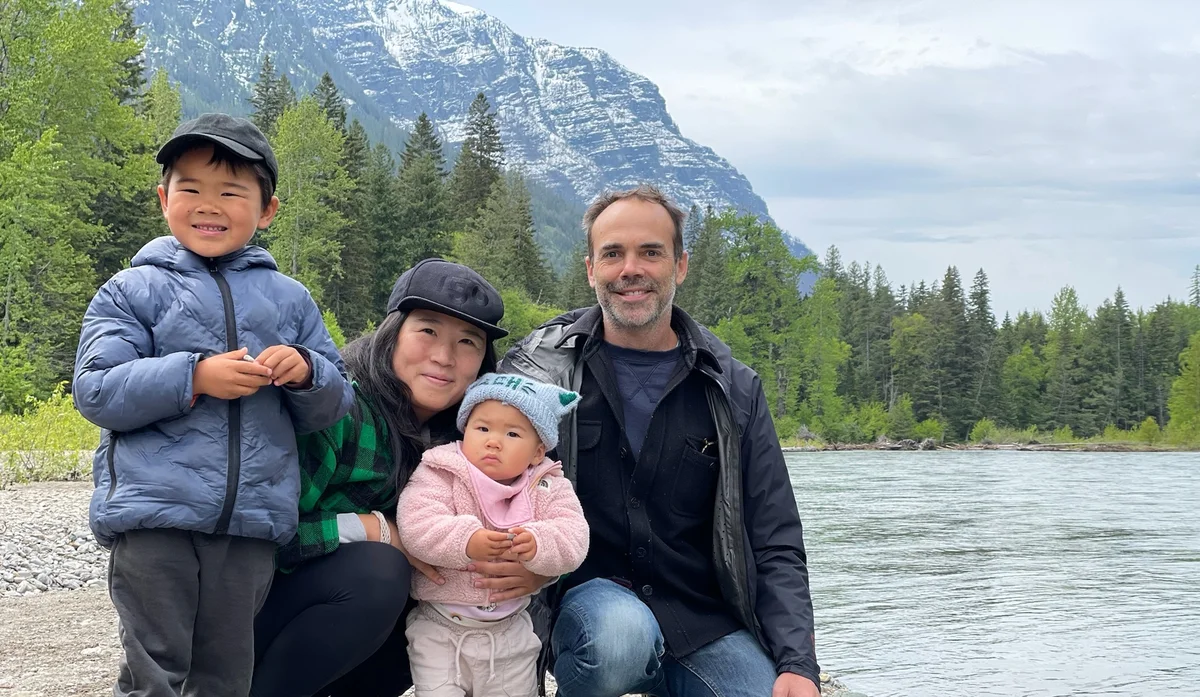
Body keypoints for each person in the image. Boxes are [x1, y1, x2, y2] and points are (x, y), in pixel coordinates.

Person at [73, 113, 356, 697]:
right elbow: (96, 389)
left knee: (226, 677)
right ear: (163, 198)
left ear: (267, 210)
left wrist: (305, 372)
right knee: (155, 670)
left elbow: (336, 402)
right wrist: (194, 376)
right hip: (154, 519)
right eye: (191, 189)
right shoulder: (132, 290)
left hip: (249, 527)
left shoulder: (291, 299)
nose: (210, 205)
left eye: (231, 192)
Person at [500, 185, 821, 697]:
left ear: (680, 265)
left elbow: (775, 538)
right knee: (619, 639)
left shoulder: (733, 388)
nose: (632, 269)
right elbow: (484, 485)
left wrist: (798, 663)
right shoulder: (542, 374)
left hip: (702, 621)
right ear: (591, 270)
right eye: (613, 254)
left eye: (651, 252)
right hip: (590, 610)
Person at [252, 259, 553, 697]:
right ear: (392, 333)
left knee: (432, 599)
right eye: (427, 330)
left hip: (354, 633)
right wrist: (375, 530)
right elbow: (264, 536)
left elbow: (545, 508)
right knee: (382, 571)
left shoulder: (478, 438)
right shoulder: (336, 408)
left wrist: (538, 573)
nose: (444, 357)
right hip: (262, 612)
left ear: (482, 363)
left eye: (467, 342)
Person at [397, 373, 590, 696]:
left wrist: (539, 542)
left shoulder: (548, 485)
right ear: (465, 428)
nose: (493, 441)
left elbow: (573, 538)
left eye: (512, 433)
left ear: (537, 452)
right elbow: (416, 523)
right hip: (440, 627)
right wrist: (466, 540)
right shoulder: (441, 471)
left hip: (509, 631)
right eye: (482, 428)